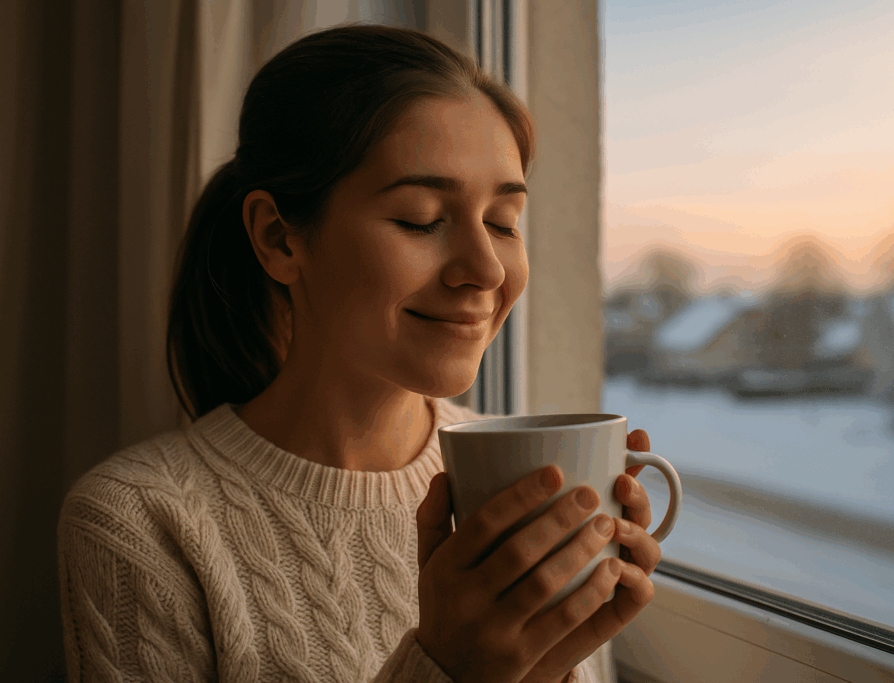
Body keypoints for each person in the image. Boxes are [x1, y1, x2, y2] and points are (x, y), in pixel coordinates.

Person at [57, 24, 661, 683]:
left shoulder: (524, 491)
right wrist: (447, 668)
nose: (486, 269)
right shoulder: (141, 522)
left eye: (502, 222)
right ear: (279, 238)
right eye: (420, 219)